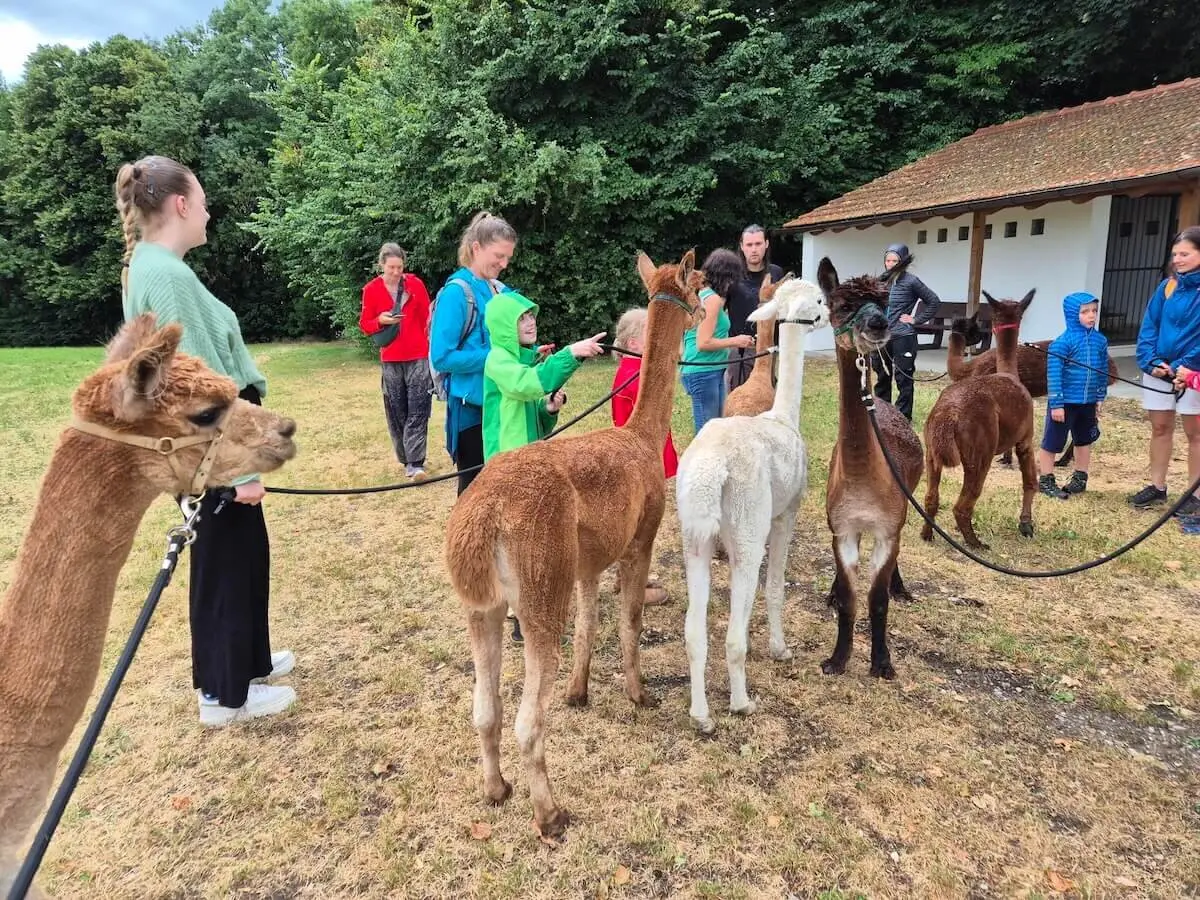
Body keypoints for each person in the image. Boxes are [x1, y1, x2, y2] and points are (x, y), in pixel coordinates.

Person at [114, 155, 295, 727]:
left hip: (213, 448)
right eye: (204, 201)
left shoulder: (156, 267)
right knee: (222, 560)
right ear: (181, 204)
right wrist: (237, 469)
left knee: (244, 554)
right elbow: (191, 382)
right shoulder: (164, 274)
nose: (210, 212)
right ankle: (223, 694)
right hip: (209, 451)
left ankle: (249, 662)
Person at [481, 291, 605, 643]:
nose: (530, 322)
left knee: (532, 543)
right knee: (521, 546)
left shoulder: (522, 361)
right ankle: (525, 620)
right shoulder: (498, 360)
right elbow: (526, 386)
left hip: (530, 463)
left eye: (531, 316)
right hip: (509, 467)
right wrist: (570, 354)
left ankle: (528, 617)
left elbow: (531, 413)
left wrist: (548, 409)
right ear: (505, 326)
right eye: (521, 318)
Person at [429, 212, 517, 496]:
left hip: (502, 406)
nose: (503, 264)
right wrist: (491, 358)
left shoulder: (497, 290)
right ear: (476, 248)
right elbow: (442, 357)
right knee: (474, 495)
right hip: (472, 413)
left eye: (508, 258)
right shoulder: (457, 293)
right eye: (498, 256)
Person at [1130, 225, 1200, 514]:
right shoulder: (1167, 287)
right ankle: (1157, 486)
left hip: (1192, 374)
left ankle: (1195, 494)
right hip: (1161, 370)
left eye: (1184, 254)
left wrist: (1190, 365)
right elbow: (1150, 326)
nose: (1177, 259)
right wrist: (1151, 361)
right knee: (1160, 428)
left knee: (1196, 434)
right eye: (1175, 254)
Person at [611, 307, 674, 606]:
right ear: (634, 344)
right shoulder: (635, 377)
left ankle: (626, 577)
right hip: (640, 460)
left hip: (638, 457)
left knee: (635, 522)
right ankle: (632, 587)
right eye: (652, 333)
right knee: (641, 525)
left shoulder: (631, 371)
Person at [358, 243, 433, 479]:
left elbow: (427, 317)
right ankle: (405, 457)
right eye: (391, 267)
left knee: (419, 408)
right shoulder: (371, 290)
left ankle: (416, 461)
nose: (396, 272)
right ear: (381, 265)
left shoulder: (415, 284)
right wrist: (380, 320)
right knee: (397, 410)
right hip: (391, 357)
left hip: (418, 354)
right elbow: (365, 324)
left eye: (399, 267)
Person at [1037, 292, 1108, 499]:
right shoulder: (1061, 344)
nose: (1091, 316)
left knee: (1084, 439)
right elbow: (1054, 375)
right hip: (1066, 403)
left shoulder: (1100, 341)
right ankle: (1046, 479)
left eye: (1094, 311)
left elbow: (1103, 369)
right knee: (1052, 441)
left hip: (1088, 402)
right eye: (1085, 312)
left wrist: (1100, 396)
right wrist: (1057, 403)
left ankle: (1080, 477)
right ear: (1071, 314)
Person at [681, 249, 754, 435]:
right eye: (732, 278)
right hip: (703, 370)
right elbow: (703, 343)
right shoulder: (711, 300)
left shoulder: (704, 295)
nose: (733, 284)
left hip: (710, 369)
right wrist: (735, 340)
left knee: (716, 427)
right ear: (725, 276)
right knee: (707, 432)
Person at [873, 243, 941, 421]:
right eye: (888, 260)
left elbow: (934, 301)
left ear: (903, 261)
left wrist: (915, 320)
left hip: (903, 336)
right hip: (881, 337)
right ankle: (882, 413)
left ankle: (903, 417)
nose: (890, 264)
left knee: (903, 378)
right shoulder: (880, 281)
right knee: (882, 375)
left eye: (895, 260)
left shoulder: (911, 281)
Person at [725, 225, 784, 392]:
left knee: (767, 399)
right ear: (742, 247)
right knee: (739, 403)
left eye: (758, 244)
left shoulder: (776, 273)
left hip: (768, 350)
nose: (754, 249)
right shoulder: (731, 276)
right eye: (749, 245)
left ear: (766, 244)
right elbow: (716, 314)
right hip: (740, 352)